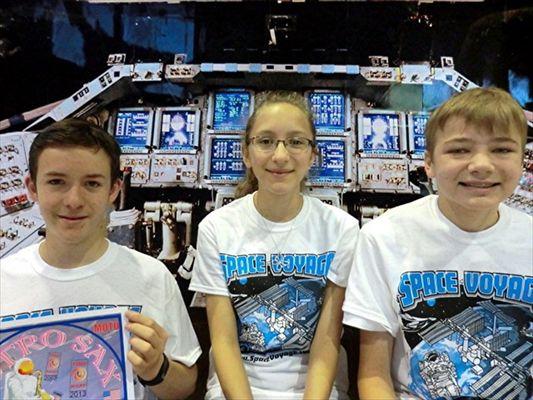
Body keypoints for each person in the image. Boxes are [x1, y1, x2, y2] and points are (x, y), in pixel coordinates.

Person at [342, 87, 532, 399]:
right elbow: (373, 376)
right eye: (459, 150)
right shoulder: (385, 237)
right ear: (428, 162)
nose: (481, 165)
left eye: (501, 150)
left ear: (522, 160)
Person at [0, 119, 201, 400]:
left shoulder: (151, 276)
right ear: (32, 188)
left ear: (113, 190)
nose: (74, 200)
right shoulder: (4, 280)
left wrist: (157, 368)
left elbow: (184, 387)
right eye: (56, 182)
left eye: (92, 183)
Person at [190, 91, 359, 399]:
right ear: (246, 152)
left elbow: (328, 337)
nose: (280, 156)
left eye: (296, 142)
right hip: (238, 387)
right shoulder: (216, 228)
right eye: (266, 141)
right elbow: (224, 341)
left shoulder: (341, 229)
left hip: (318, 388)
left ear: (313, 154)